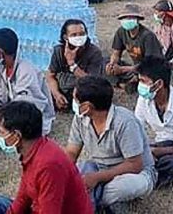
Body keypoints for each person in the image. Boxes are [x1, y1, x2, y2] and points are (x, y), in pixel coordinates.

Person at [0, 101, 93, 214]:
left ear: (16, 135)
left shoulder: (48, 165)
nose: (0, 136)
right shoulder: (33, 151)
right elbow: (22, 199)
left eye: (2, 132)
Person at [66, 76, 156, 211]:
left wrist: (97, 178)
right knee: (80, 170)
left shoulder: (125, 122)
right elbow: (72, 152)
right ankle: (98, 202)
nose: (73, 102)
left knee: (123, 187)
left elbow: (135, 165)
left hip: (135, 174)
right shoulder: (80, 119)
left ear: (86, 107)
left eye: (75, 99)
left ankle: (86, 200)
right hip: (98, 168)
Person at [134, 57, 173, 187]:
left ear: (158, 84)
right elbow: (137, 128)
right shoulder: (143, 100)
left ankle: (150, 176)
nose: (139, 85)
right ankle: (159, 176)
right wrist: (145, 150)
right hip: (160, 143)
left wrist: (156, 152)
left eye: (143, 81)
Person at [0, 28, 56, 136]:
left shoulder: (26, 71)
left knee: (0, 127)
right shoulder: (1, 70)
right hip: (13, 111)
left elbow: (25, 107)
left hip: (32, 118)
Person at [46, 19, 104, 111]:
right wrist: (57, 95)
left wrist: (72, 64)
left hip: (83, 88)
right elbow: (50, 76)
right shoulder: (58, 51)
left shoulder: (94, 52)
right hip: (63, 87)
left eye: (82, 34)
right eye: (74, 35)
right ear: (65, 37)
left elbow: (92, 82)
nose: (79, 37)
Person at [105, 4, 165, 90]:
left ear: (137, 20)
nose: (127, 20)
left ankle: (130, 82)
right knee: (104, 63)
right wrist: (112, 64)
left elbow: (150, 64)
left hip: (150, 68)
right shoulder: (121, 32)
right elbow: (116, 53)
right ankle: (124, 83)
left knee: (148, 74)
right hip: (135, 68)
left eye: (130, 18)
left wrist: (123, 70)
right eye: (125, 18)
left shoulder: (147, 36)